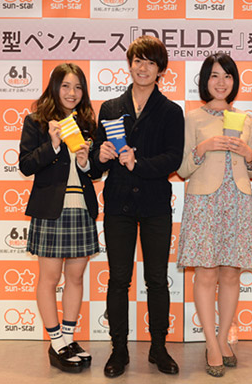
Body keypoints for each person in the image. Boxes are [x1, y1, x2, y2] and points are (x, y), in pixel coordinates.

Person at [90, 35, 184, 378]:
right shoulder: (110, 108)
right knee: (118, 279)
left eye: (150, 62)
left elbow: (173, 159)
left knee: (157, 279)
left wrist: (138, 162)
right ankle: (119, 349)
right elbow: (96, 164)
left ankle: (159, 347)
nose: (143, 68)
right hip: (118, 204)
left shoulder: (171, 111)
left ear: (161, 70)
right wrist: (100, 156)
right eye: (138, 61)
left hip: (155, 204)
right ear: (129, 65)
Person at [177, 53, 252, 378]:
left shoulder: (246, 120)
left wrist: (249, 154)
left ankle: (224, 338)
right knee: (205, 275)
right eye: (214, 75)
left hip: (237, 200)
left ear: (234, 81)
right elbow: (183, 169)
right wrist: (204, 147)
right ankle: (211, 343)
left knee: (230, 275)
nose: (221, 82)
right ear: (205, 80)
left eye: (227, 75)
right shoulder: (192, 118)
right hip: (204, 202)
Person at [19, 63, 100, 373]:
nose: (72, 92)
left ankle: (68, 338)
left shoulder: (87, 123)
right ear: (55, 87)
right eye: (66, 85)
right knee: (50, 278)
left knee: (76, 278)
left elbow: (95, 171)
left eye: (78, 87)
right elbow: (26, 165)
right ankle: (56, 342)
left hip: (81, 208)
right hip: (51, 209)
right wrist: (53, 144)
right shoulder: (37, 122)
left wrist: (86, 162)